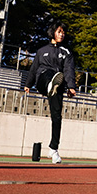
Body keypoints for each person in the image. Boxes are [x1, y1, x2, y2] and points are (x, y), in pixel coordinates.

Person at [24, 20, 77, 164]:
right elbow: (34, 69)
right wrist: (28, 84)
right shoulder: (42, 51)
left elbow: (69, 70)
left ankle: (54, 149)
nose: (62, 34)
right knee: (47, 73)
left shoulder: (66, 52)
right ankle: (50, 83)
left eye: (63, 32)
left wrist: (71, 86)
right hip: (42, 79)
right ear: (53, 32)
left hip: (57, 86)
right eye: (59, 31)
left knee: (57, 117)